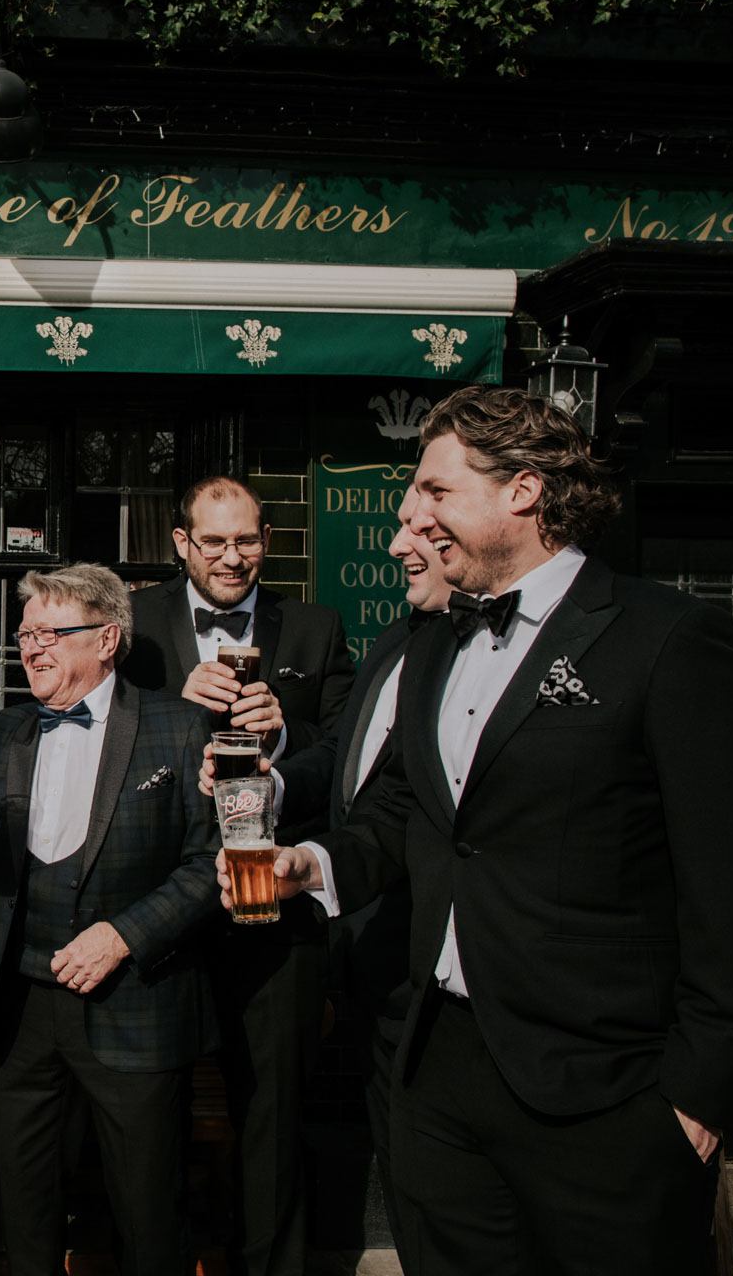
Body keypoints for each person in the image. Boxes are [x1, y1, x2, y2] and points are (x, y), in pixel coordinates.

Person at [256, 385, 733, 1276]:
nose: (409, 513)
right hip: (439, 1077)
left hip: (606, 1089)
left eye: (435, 490)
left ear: (524, 490)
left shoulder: (670, 640)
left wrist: (701, 1096)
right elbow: (407, 814)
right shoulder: (432, 638)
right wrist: (309, 865)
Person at [0, 563, 221, 1276]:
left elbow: (212, 863)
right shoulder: (6, 731)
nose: (31, 648)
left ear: (107, 638)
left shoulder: (181, 727)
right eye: (25, 634)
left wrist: (123, 936)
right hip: (19, 1008)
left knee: (147, 1213)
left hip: (136, 1004)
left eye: (51, 633)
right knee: (26, 1209)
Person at [123, 475, 353, 1276]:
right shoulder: (136, 624)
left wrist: (286, 736)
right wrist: (168, 712)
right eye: (213, 541)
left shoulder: (317, 629)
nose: (233, 557)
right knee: (152, 1116)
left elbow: (352, 761)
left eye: (247, 540)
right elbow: (90, 740)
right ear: (181, 543)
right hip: (162, 906)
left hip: (273, 906)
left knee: (273, 1115)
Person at [269, 490, 453, 1263]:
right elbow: (352, 763)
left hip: (444, 968)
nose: (397, 546)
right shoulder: (396, 639)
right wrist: (275, 788)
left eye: (421, 526)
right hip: (362, 954)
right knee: (380, 1171)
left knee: (444, 1194)